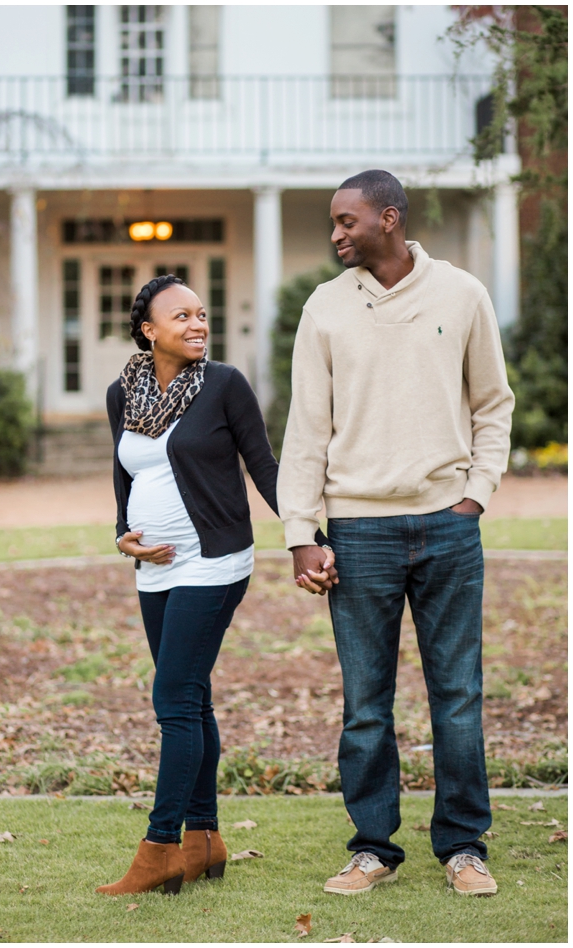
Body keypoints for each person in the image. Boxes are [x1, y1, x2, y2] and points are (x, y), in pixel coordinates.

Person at [277, 170, 514, 897]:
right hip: (357, 532)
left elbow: (492, 404)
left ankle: (464, 847)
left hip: (448, 528)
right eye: (332, 222)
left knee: (458, 695)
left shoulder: (463, 294)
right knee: (366, 704)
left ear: (389, 218)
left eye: (347, 221)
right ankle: (372, 847)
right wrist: (300, 532)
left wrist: (474, 498)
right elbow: (307, 428)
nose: (336, 234)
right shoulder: (324, 308)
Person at [97, 274, 335, 897]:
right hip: (154, 566)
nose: (198, 324)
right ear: (149, 330)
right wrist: (123, 533)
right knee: (192, 699)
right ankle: (204, 839)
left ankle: (159, 850)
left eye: (202, 314)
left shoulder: (225, 386)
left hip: (214, 561)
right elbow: (125, 478)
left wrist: (304, 535)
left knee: (173, 700)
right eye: (182, 316)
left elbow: (264, 466)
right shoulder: (122, 393)